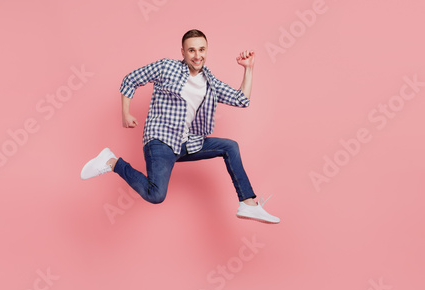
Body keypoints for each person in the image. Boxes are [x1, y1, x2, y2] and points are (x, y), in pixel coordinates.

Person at [81, 29, 280, 223]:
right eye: (191, 50)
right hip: (160, 140)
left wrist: (249, 68)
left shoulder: (210, 82)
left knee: (230, 146)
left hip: (186, 143)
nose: (197, 55)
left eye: (201, 50)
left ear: (206, 51)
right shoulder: (167, 68)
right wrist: (125, 113)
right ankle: (112, 162)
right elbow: (130, 79)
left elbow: (241, 99)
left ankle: (248, 203)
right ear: (183, 52)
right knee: (156, 194)